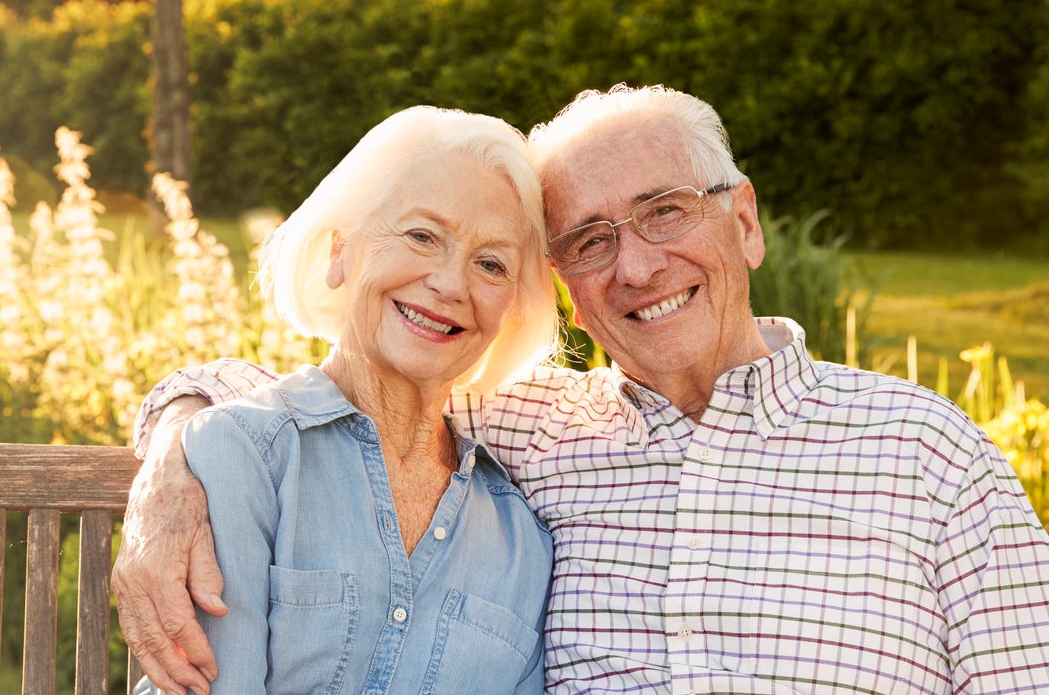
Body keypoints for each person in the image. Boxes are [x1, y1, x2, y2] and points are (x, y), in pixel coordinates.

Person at [114, 85, 1049, 694]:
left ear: (747, 221)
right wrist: (171, 462)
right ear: (561, 283)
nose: (637, 265)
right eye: (591, 241)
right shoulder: (536, 433)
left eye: (665, 212)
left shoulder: (924, 450)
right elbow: (333, 392)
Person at [130, 105, 560, 694]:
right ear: (340, 251)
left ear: (510, 307)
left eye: (490, 264)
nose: (451, 284)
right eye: (422, 236)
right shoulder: (248, 453)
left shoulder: (522, 535)